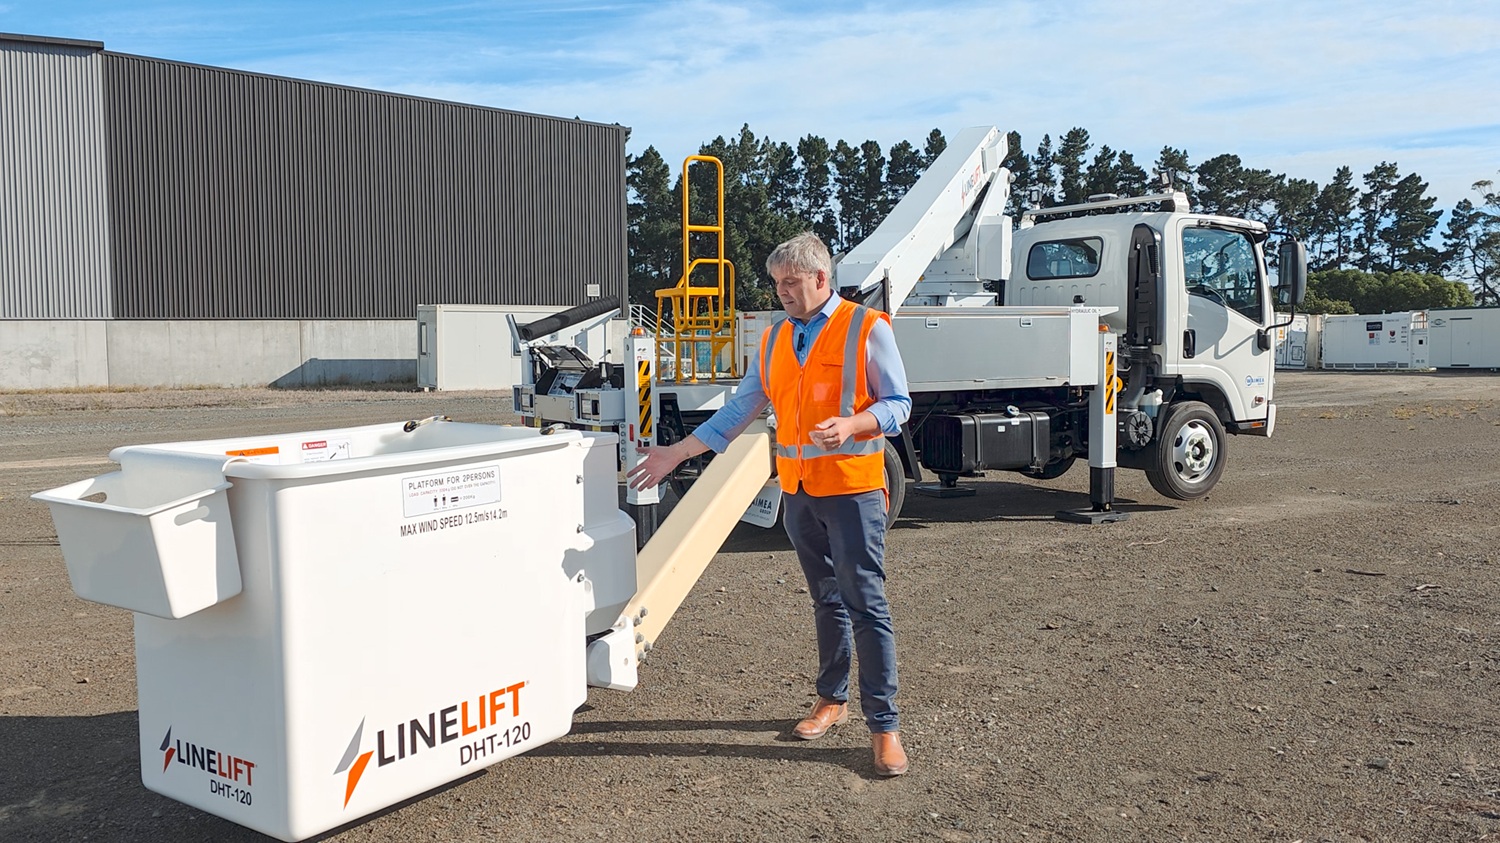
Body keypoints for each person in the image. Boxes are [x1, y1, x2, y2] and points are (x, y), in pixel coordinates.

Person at [626, 232, 912, 777]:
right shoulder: (776, 338)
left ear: (822, 278)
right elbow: (740, 410)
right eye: (777, 283)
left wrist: (855, 422)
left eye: (791, 282)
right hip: (799, 493)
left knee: (866, 607)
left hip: (852, 489)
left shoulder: (866, 328)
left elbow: (900, 402)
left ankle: (885, 727)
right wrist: (678, 453)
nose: (782, 291)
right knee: (826, 601)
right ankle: (832, 698)